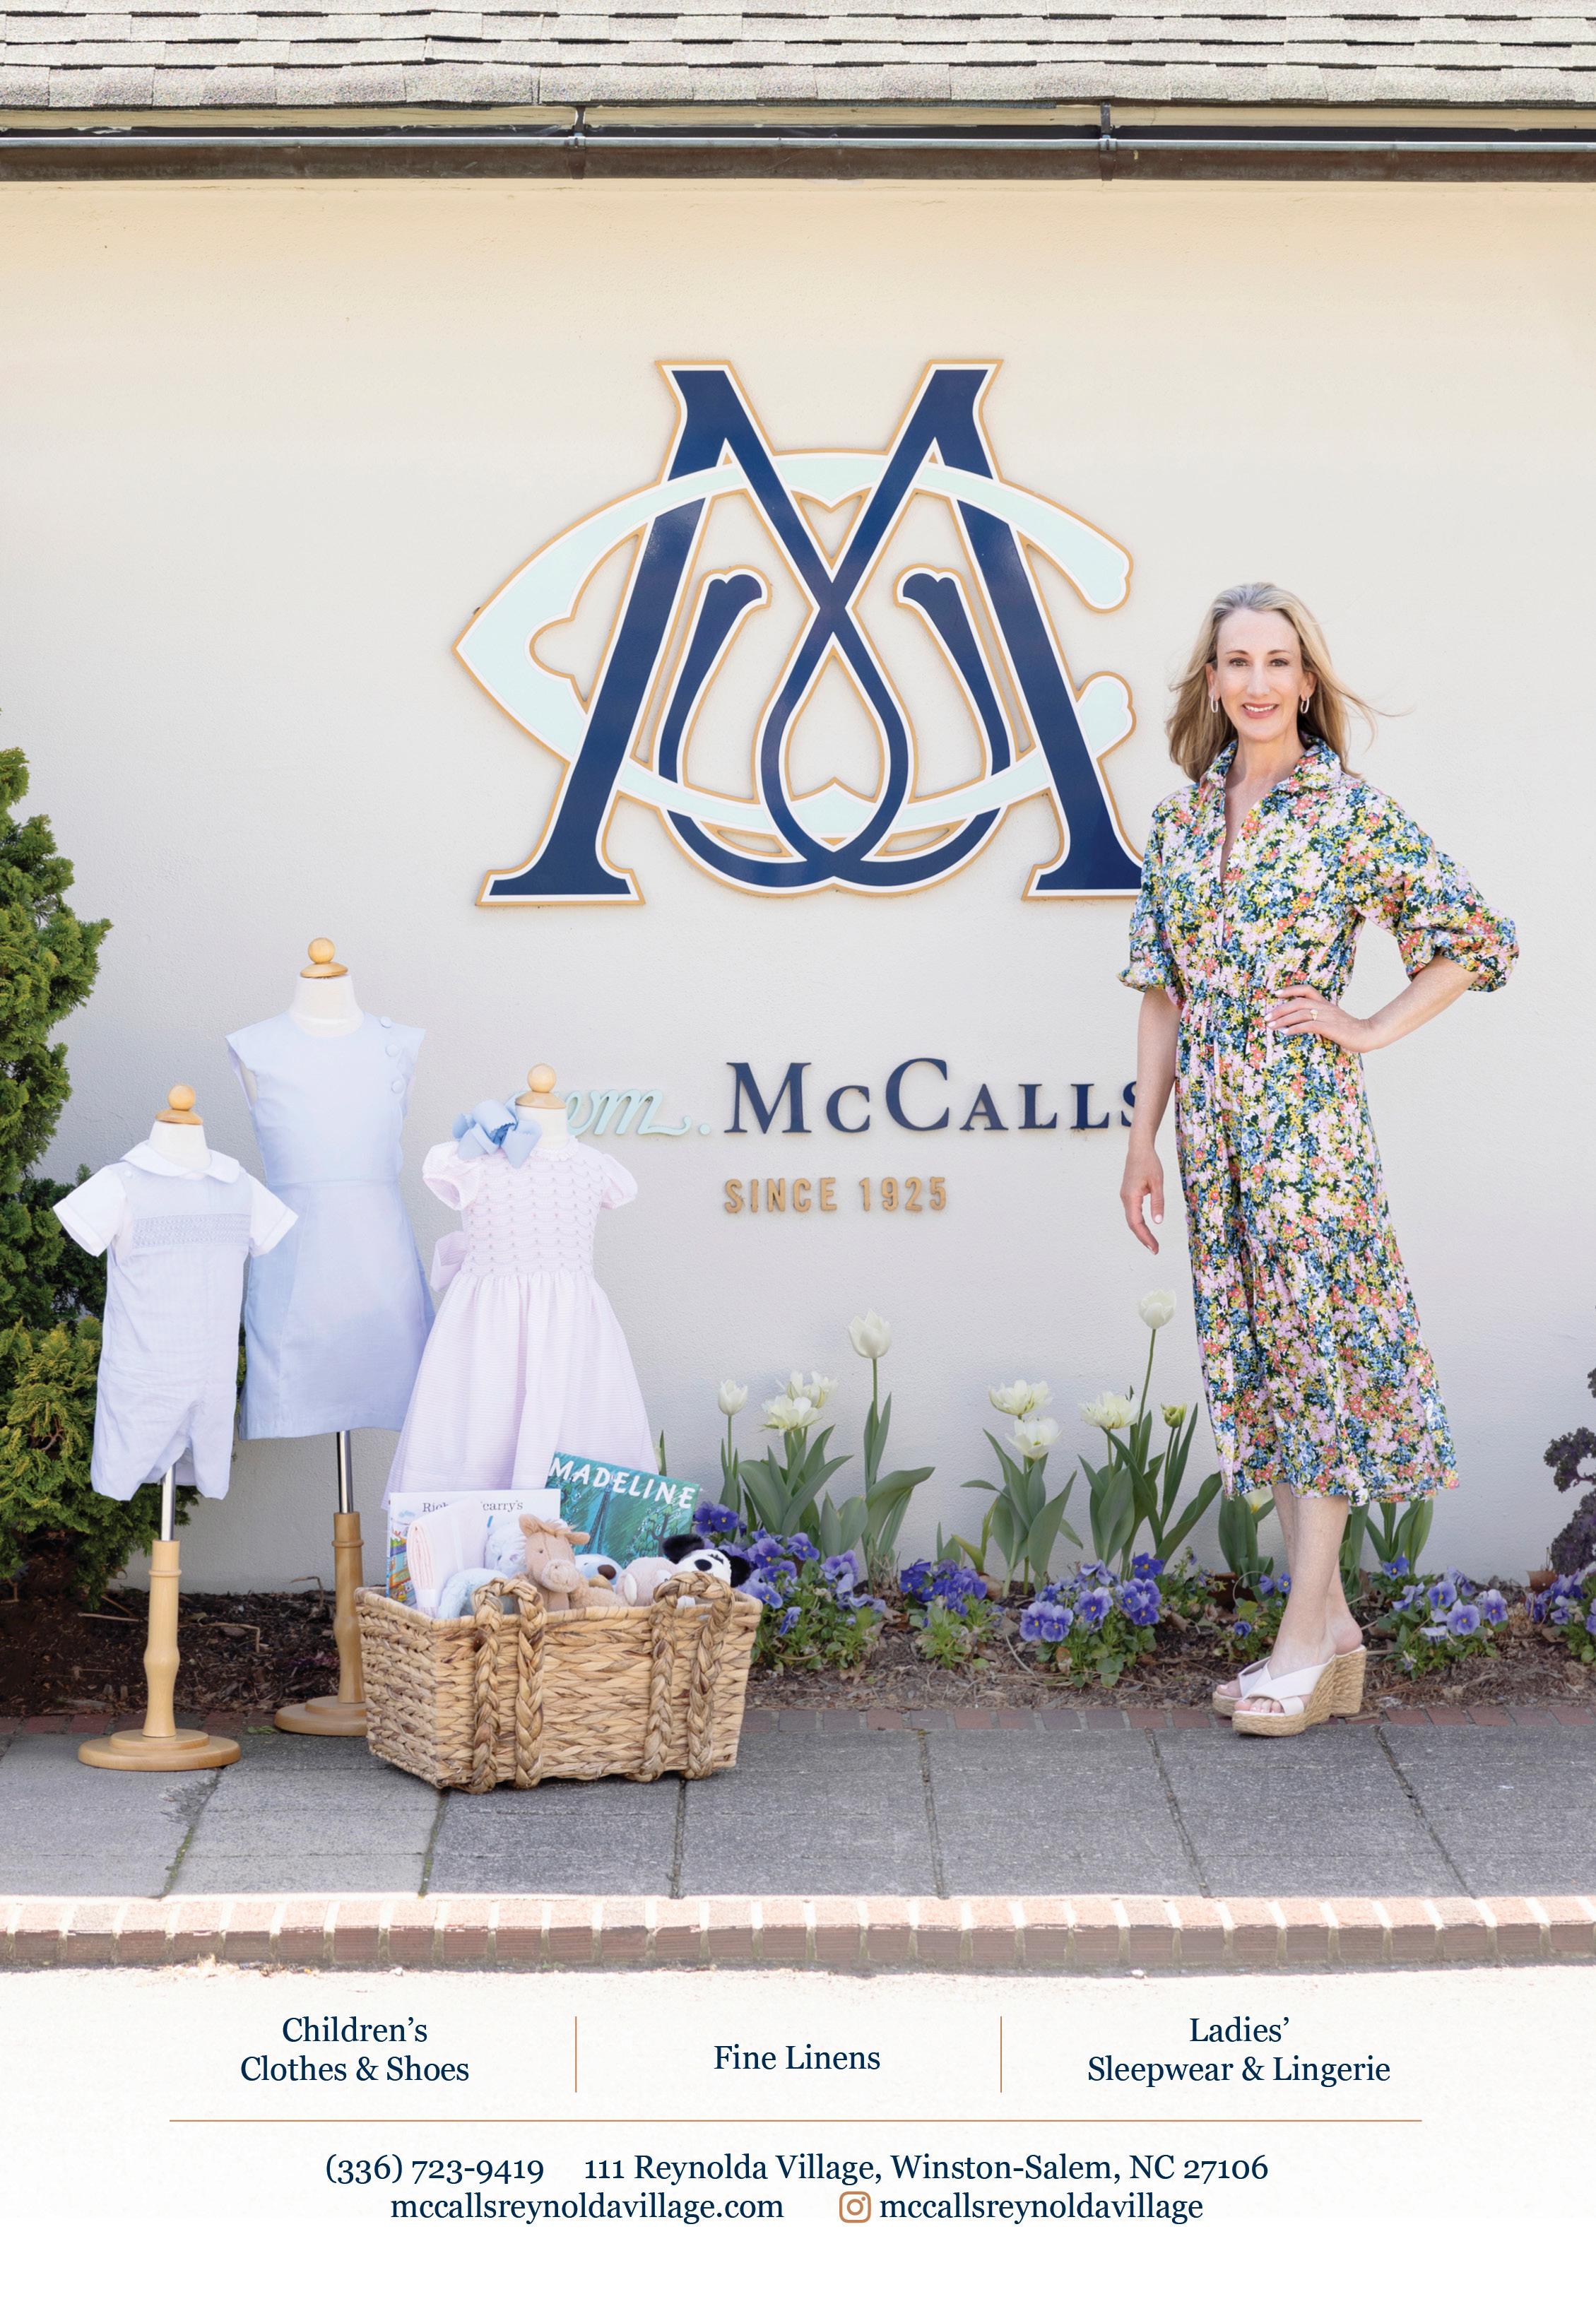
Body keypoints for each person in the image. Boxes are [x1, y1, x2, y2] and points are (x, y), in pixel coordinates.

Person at [1118, 584, 1516, 1734]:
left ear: (1305, 682)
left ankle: (1302, 1638)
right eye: (1236, 662)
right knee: (1259, 1369)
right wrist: (1142, 1139)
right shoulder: (1182, 823)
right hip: (1211, 1143)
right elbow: (1163, 992)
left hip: (1307, 1134)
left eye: (1277, 662)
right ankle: (1331, 1627)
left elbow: (1476, 939)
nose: (1257, 683)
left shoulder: (1347, 812)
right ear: (1210, 681)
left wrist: (1369, 1026)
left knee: (1319, 1364)